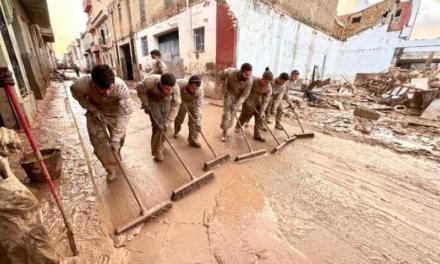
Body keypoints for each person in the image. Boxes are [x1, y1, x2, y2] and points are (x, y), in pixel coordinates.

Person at [70, 64, 133, 182]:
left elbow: (125, 114)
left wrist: (116, 138)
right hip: (96, 113)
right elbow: (76, 94)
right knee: (98, 143)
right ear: (94, 84)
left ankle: (116, 154)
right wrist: (91, 108)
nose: (108, 92)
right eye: (103, 90)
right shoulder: (81, 84)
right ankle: (111, 168)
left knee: (119, 140)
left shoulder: (121, 88)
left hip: (115, 113)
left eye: (110, 88)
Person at [136, 73, 181, 162]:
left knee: (165, 125)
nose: (169, 91)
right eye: (167, 88)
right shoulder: (149, 82)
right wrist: (145, 102)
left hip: (165, 100)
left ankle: (161, 143)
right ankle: (157, 151)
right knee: (158, 126)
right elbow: (139, 87)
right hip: (152, 101)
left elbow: (176, 104)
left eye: (170, 89)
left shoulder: (175, 88)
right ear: (161, 83)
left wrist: (168, 121)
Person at [218, 63, 253, 142]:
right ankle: (224, 132)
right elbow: (221, 75)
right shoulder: (230, 72)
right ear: (241, 71)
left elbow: (245, 95)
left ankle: (228, 127)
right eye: (246, 74)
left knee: (233, 114)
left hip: (239, 96)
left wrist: (237, 103)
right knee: (227, 113)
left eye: (249, 74)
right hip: (229, 93)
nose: (247, 77)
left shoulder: (250, 81)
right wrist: (224, 88)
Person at [236, 68, 273, 142]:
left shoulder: (269, 88)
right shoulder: (252, 80)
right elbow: (243, 89)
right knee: (245, 114)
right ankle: (238, 126)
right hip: (248, 98)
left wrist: (262, 110)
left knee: (261, 116)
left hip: (259, 101)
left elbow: (266, 101)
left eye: (268, 83)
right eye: (265, 81)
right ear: (262, 78)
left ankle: (257, 135)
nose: (266, 84)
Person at [173, 75, 204, 148]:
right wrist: (178, 100)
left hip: (193, 102)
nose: (195, 90)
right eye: (193, 88)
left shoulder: (199, 91)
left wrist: (198, 118)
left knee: (195, 120)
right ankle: (176, 130)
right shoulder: (179, 84)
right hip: (181, 100)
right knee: (180, 117)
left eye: (196, 88)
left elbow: (199, 105)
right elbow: (173, 93)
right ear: (188, 84)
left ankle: (192, 140)